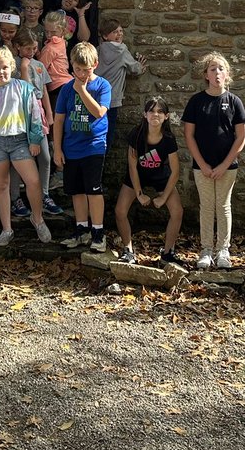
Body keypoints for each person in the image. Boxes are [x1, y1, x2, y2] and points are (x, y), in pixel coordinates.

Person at [0, 47, 51, 246]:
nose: (2, 71)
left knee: (33, 181)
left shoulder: (24, 89)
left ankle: (38, 219)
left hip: (19, 141)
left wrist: (35, 140)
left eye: (6, 67)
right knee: (1, 185)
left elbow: (35, 115)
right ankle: (7, 228)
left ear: (13, 67)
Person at [182, 52, 245, 270]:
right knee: (207, 206)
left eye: (221, 68)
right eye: (212, 69)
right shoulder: (196, 102)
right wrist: (202, 164)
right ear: (206, 75)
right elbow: (189, 135)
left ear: (227, 74)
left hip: (227, 167)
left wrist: (224, 164)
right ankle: (206, 250)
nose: (217, 72)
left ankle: (223, 250)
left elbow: (241, 137)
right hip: (202, 167)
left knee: (223, 205)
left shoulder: (234, 101)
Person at [53, 42, 112, 251]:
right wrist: (57, 149)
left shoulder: (103, 86)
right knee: (76, 191)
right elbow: (59, 119)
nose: (81, 74)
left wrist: (83, 90)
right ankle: (82, 230)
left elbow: (99, 112)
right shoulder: (67, 89)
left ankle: (98, 233)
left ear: (94, 65)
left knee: (93, 190)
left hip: (93, 147)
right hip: (71, 147)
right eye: (77, 69)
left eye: (85, 70)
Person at [113, 96, 183, 266]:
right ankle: (128, 250)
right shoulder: (136, 134)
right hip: (138, 176)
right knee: (119, 211)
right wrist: (139, 194)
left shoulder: (168, 139)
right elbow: (132, 166)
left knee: (178, 211)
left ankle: (167, 253)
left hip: (160, 176)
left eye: (160, 111)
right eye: (151, 111)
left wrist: (163, 197)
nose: (155, 115)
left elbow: (175, 171)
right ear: (145, 114)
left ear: (166, 116)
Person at [9, 32, 64, 218]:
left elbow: (44, 91)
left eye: (34, 48)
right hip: (19, 114)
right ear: (18, 47)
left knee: (45, 157)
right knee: (19, 157)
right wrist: (24, 69)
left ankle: (44, 194)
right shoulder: (13, 65)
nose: (32, 52)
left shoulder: (39, 65)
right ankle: (15, 198)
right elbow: (24, 91)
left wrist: (49, 113)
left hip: (38, 113)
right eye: (27, 48)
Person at [95, 18, 146, 146]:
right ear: (105, 36)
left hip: (95, 96)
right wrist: (140, 65)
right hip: (112, 99)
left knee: (95, 129)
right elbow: (134, 69)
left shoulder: (98, 50)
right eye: (115, 32)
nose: (119, 34)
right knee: (108, 131)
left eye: (120, 31)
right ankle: (104, 157)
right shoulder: (121, 50)